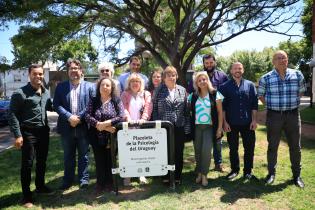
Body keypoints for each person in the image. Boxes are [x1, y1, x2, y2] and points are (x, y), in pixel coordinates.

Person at [258, 50, 306, 188]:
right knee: (272, 146)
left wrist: (293, 102)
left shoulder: (297, 74)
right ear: (273, 61)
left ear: (287, 59)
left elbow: (301, 90)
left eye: (284, 57)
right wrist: (271, 105)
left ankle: (297, 176)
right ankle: (271, 174)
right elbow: (260, 95)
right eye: (278, 58)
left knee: (295, 147)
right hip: (274, 116)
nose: (282, 60)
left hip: (293, 115)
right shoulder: (265, 78)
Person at [8, 64, 53, 208]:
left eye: (40, 74)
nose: (38, 76)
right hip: (28, 133)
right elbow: (12, 114)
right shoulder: (20, 93)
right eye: (35, 74)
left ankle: (40, 186)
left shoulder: (46, 92)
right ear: (29, 75)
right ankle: (26, 196)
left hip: (43, 131)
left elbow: (50, 107)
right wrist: (17, 135)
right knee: (27, 165)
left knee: (42, 161)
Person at [53, 58, 95, 190]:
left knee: (84, 155)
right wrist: (69, 117)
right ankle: (68, 180)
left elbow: (91, 105)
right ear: (68, 71)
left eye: (76, 69)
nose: (74, 71)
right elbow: (56, 105)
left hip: (83, 126)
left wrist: (79, 117)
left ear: (81, 71)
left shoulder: (89, 87)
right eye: (71, 69)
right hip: (66, 126)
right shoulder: (61, 87)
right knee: (68, 155)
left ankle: (83, 179)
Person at [188, 54, 228, 172]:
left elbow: (225, 95)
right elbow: (191, 93)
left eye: (211, 62)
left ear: (215, 62)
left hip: (218, 113)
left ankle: (218, 163)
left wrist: (224, 120)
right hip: (202, 114)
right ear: (204, 64)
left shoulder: (222, 76)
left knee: (217, 141)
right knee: (201, 145)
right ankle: (200, 166)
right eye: (207, 63)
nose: (209, 65)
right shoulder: (198, 77)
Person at [219, 62, 258, 181]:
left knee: (249, 148)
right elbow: (223, 107)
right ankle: (234, 170)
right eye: (235, 68)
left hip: (248, 123)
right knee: (233, 148)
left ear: (243, 70)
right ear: (231, 71)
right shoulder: (224, 86)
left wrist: (254, 120)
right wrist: (225, 123)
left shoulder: (250, 85)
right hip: (231, 123)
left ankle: (248, 171)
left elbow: (254, 104)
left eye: (240, 68)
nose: (238, 70)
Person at [85, 77, 125, 193]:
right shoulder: (93, 100)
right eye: (103, 85)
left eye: (108, 85)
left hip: (112, 137)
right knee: (99, 160)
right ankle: (100, 183)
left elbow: (121, 116)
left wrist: (107, 124)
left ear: (112, 88)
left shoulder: (116, 100)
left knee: (110, 160)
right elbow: (87, 115)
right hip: (95, 136)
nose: (105, 87)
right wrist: (98, 124)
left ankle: (110, 182)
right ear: (99, 87)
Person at [152, 66, 190, 184]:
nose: (171, 77)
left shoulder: (182, 90)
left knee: (178, 152)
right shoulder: (159, 90)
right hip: (164, 127)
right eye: (168, 75)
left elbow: (186, 111)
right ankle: (166, 176)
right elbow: (154, 109)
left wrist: (187, 128)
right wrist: (157, 125)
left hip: (179, 126)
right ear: (164, 78)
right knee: (165, 152)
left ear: (177, 76)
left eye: (173, 75)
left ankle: (177, 176)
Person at [188, 71, 223, 186]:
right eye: (199, 80)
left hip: (209, 127)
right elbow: (188, 111)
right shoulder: (193, 96)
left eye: (204, 79)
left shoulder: (215, 94)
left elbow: (219, 113)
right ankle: (199, 173)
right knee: (197, 151)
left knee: (206, 151)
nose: (202, 82)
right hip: (197, 127)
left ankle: (204, 175)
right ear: (196, 83)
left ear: (207, 80)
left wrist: (219, 129)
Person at [121, 73, 153, 186]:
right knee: (128, 152)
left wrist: (144, 119)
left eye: (137, 81)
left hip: (142, 127)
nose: (135, 83)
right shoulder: (125, 94)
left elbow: (148, 108)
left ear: (141, 83)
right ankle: (127, 176)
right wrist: (128, 120)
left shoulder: (146, 94)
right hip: (128, 127)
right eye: (133, 81)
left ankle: (141, 174)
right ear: (129, 83)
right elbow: (123, 108)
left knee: (141, 152)